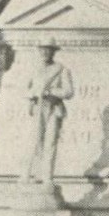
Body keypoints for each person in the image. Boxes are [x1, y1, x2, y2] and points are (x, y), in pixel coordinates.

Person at [24, 42, 74, 185]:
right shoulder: (34, 69)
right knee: (35, 142)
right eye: (43, 50)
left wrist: (50, 92)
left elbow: (69, 92)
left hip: (53, 108)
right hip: (38, 107)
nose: (45, 53)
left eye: (48, 50)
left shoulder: (62, 70)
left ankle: (47, 176)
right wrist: (33, 94)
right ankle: (33, 174)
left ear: (53, 52)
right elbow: (25, 89)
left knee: (50, 142)